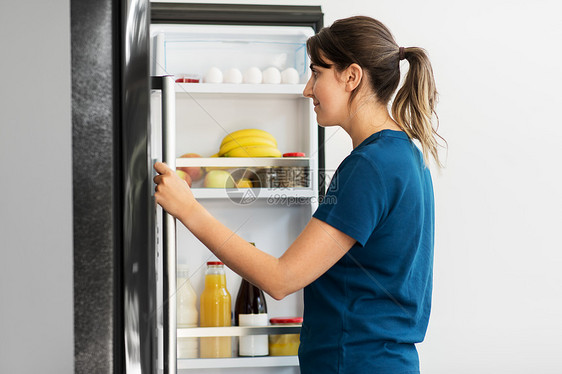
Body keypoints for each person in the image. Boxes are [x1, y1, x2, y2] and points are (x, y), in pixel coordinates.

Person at [154, 15, 443, 374]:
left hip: (355, 363)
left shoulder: (370, 165)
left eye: (317, 73)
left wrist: (188, 209)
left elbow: (281, 279)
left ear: (351, 76)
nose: (308, 89)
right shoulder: (406, 155)